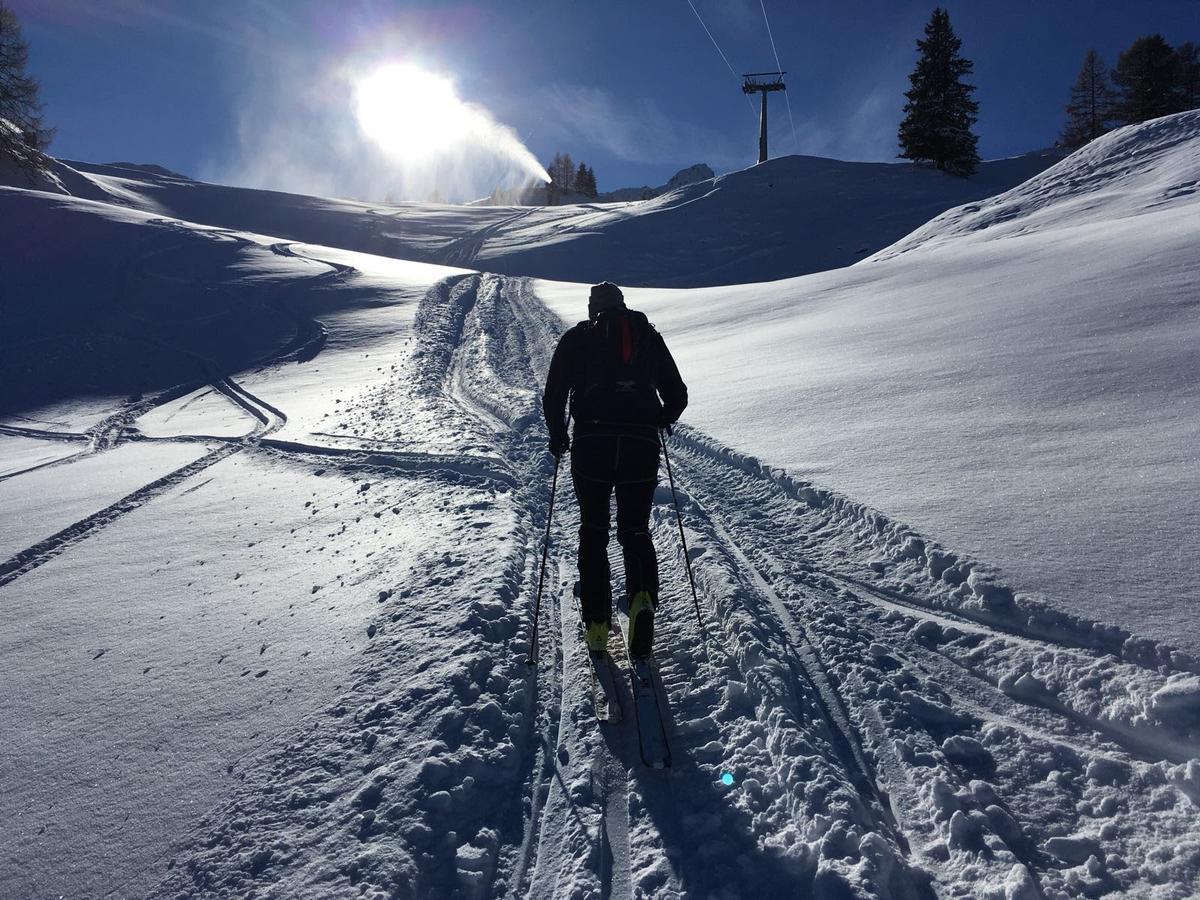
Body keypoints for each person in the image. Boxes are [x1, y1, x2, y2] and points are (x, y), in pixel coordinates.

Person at [542, 282, 688, 658]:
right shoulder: (646, 335)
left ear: (593, 308)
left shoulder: (578, 338)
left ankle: (596, 622)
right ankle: (641, 600)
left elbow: (554, 393)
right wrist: (659, 418)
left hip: (591, 443)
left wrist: (558, 436)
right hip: (640, 444)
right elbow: (678, 395)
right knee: (635, 529)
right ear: (623, 305)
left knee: (593, 530)